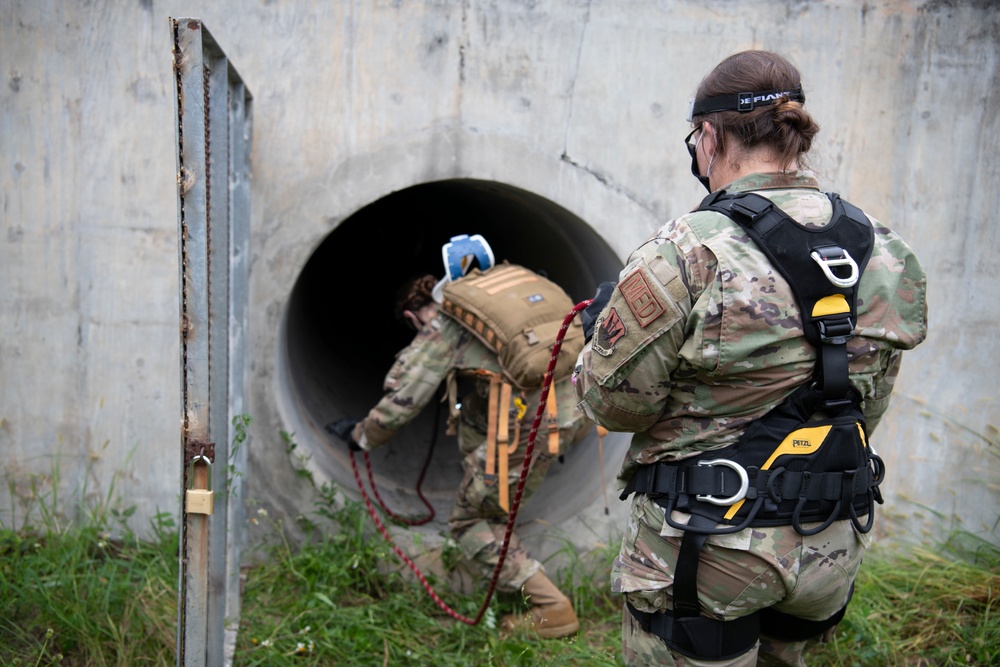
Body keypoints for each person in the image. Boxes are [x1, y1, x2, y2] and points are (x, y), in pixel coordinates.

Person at [572, 50, 928, 666]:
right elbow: (865, 403)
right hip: (827, 547)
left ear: (708, 136)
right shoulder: (885, 248)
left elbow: (614, 406)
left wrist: (599, 335)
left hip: (707, 553)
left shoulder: (686, 251)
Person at [336, 252, 592, 640]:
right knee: (474, 409)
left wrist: (360, 436)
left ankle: (551, 609)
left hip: (531, 425)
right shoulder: (500, 294)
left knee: (469, 522)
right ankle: (493, 501)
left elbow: (403, 399)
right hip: (579, 405)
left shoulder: (445, 322)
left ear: (411, 317)